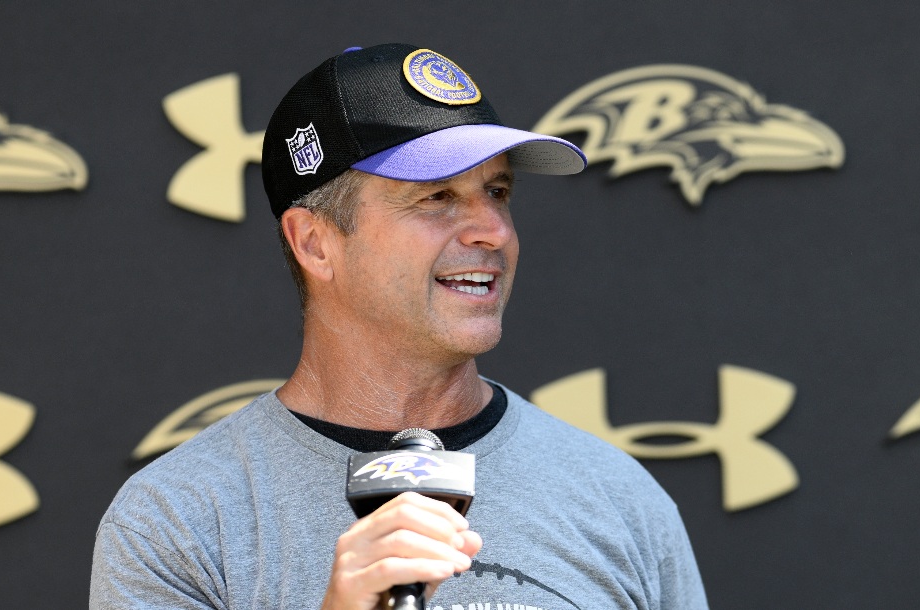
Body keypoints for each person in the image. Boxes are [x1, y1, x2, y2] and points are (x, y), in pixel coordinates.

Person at [90, 43, 709, 610]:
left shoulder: (618, 496)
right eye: (437, 197)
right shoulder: (178, 519)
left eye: (497, 191)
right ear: (315, 242)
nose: (492, 230)